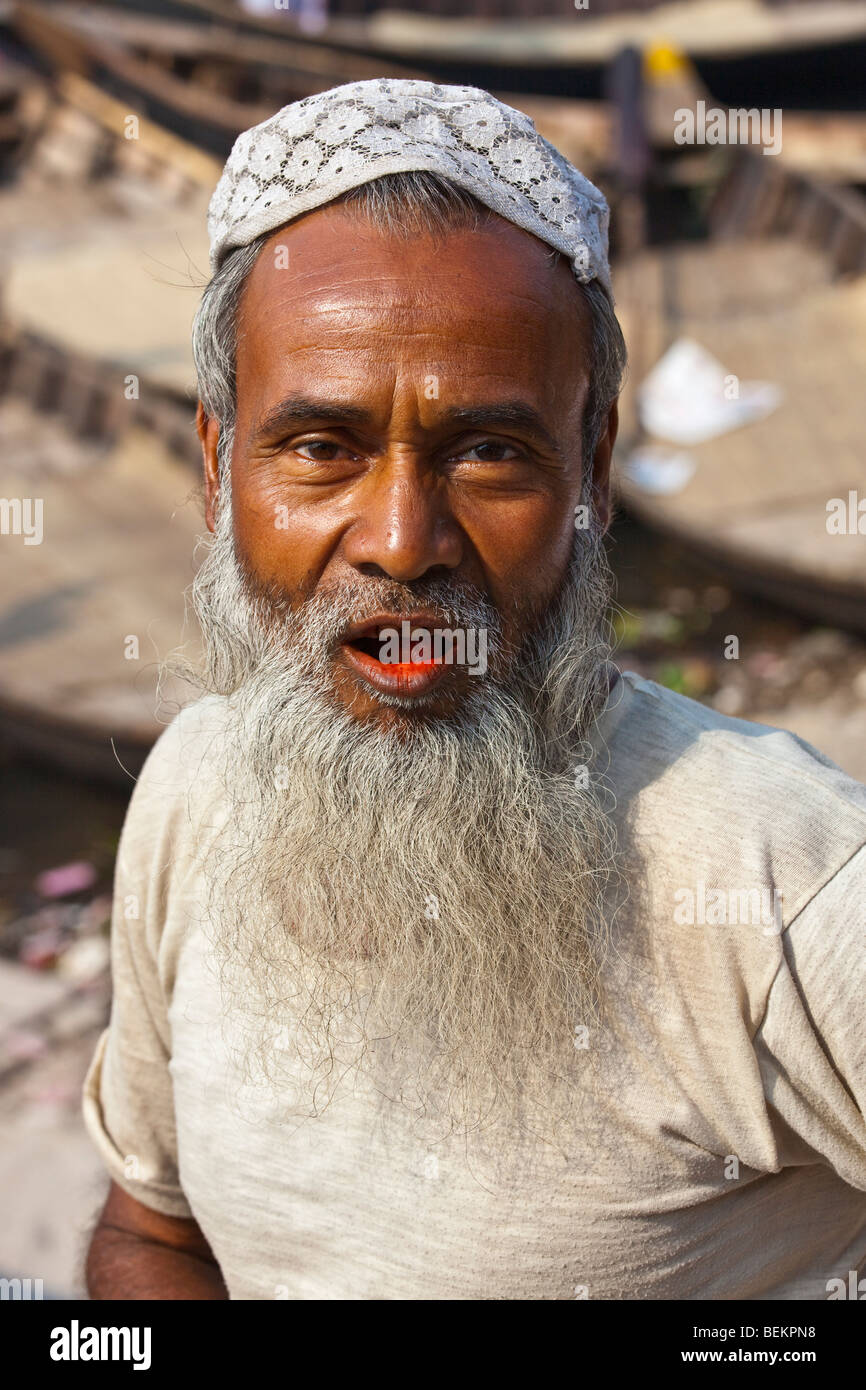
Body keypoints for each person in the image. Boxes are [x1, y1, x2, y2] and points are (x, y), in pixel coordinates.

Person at [83, 79, 866, 1300]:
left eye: (488, 452)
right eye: (320, 448)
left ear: (591, 472)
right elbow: (154, 1227)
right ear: (216, 467)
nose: (402, 541)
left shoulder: (784, 880)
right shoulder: (191, 787)